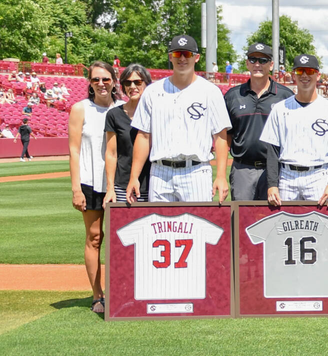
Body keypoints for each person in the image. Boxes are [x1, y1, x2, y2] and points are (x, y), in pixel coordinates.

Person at [127, 35, 232, 203]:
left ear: (196, 57)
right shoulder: (153, 92)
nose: (182, 58)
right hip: (160, 172)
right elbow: (144, 136)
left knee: (196, 220)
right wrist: (134, 177)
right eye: (177, 54)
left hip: (196, 171)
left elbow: (220, 136)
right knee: (159, 221)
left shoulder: (210, 91)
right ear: (170, 56)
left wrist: (220, 176)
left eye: (187, 54)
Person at [261, 54, 328, 206]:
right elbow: (273, 150)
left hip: (318, 175)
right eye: (299, 71)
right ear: (293, 75)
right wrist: (272, 184)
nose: (304, 75)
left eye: (309, 71)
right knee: (285, 221)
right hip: (287, 176)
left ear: (318, 75)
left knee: (319, 221)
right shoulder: (279, 109)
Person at [68, 61, 119, 315]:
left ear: (114, 80)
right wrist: (76, 188)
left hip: (118, 183)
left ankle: (122, 290)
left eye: (105, 79)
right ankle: (97, 294)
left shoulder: (123, 108)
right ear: (89, 82)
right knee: (94, 237)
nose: (101, 83)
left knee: (122, 238)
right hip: (90, 182)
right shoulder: (80, 109)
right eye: (96, 79)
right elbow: (74, 150)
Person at [225, 43, 295, 201]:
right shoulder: (233, 96)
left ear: (271, 65)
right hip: (242, 168)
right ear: (247, 63)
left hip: (275, 169)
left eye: (263, 60)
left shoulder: (285, 96)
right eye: (253, 59)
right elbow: (227, 135)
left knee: (274, 216)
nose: (257, 64)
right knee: (242, 216)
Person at [104, 64, 152, 205]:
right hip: (123, 186)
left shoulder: (156, 114)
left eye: (138, 82)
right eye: (127, 83)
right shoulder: (114, 115)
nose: (132, 86)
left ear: (147, 84)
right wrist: (110, 188)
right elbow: (111, 154)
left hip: (153, 184)